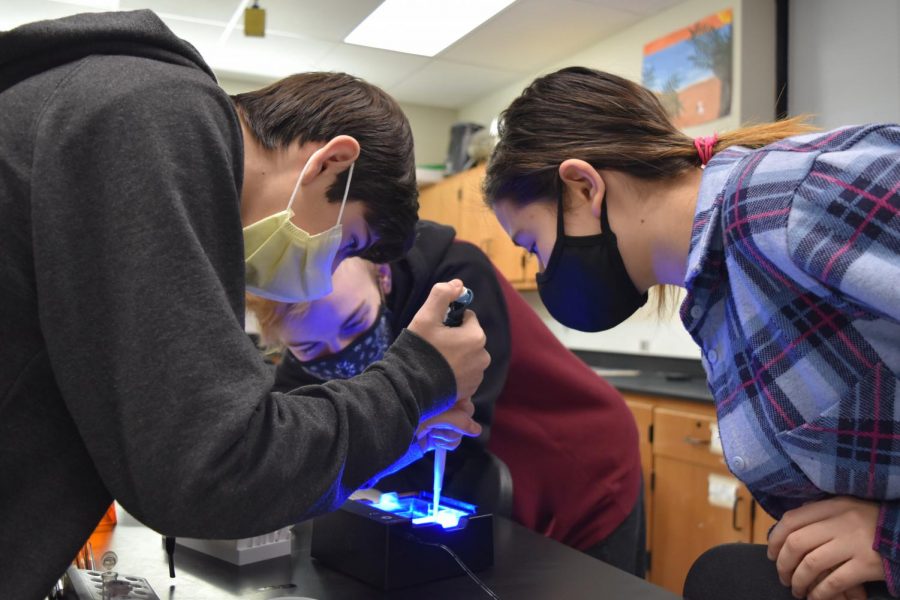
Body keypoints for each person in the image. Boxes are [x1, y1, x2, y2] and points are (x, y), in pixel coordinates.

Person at [0, 10, 489, 599]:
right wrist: (416, 380)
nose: (322, 281)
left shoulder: (125, 104)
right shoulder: (160, 116)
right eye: (345, 246)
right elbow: (212, 470)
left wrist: (394, 436)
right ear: (332, 162)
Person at [481, 66, 899, 600]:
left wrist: (888, 538)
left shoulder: (786, 208)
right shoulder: (718, 291)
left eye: (533, 245)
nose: (543, 270)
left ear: (584, 186)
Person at [247, 220, 646, 576]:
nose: (340, 350)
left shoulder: (457, 282)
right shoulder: (302, 341)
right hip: (484, 484)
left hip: (577, 462)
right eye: (312, 349)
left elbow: (454, 433)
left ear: (382, 278)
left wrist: (348, 473)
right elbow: (287, 442)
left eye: (354, 324)